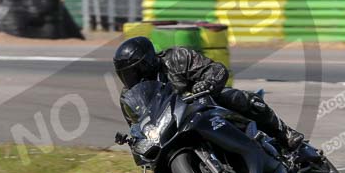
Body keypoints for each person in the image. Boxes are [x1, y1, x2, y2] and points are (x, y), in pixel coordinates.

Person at [113, 36, 306, 151]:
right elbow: (138, 125)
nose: (131, 78)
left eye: (134, 71)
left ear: (148, 62)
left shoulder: (176, 58)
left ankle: (284, 133)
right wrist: (134, 139)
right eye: (126, 74)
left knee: (238, 98)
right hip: (172, 129)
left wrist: (206, 83)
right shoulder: (128, 97)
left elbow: (215, 69)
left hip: (204, 107)